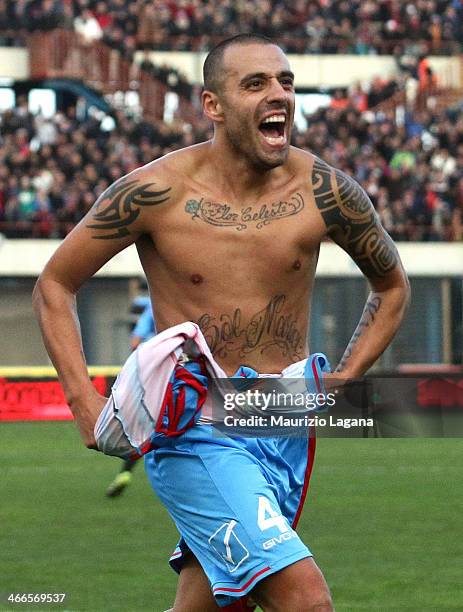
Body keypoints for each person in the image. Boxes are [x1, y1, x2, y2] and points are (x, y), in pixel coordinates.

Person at [33, 34, 410, 612]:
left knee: (211, 605)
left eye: (284, 82)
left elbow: (391, 286)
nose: (278, 94)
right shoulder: (153, 192)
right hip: (195, 424)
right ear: (213, 105)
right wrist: (83, 400)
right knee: (306, 600)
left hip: (286, 417)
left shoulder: (326, 190)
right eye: (255, 84)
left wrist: (343, 380)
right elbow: (55, 284)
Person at [105, 301, 156, 498]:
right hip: (208, 372)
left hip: (156, 368)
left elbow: (135, 341)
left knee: (146, 426)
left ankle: (126, 471)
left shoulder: (155, 306)